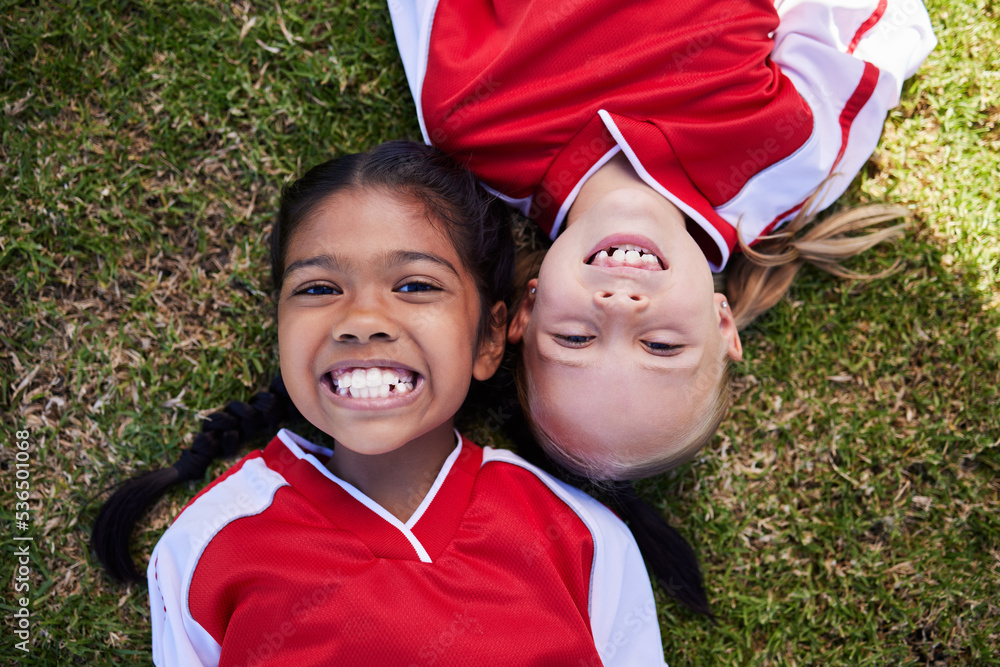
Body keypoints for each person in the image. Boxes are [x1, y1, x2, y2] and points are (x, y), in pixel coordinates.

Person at [91, 141, 674, 666]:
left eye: (416, 285)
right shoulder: (207, 546)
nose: (362, 320)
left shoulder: (584, 540)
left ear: (490, 337)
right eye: (318, 289)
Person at [387, 0, 937, 480]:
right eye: (661, 346)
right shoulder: (788, 164)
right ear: (722, 325)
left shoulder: (474, 120)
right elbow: (882, 23)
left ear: (526, 310)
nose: (621, 306)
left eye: (576, 338)